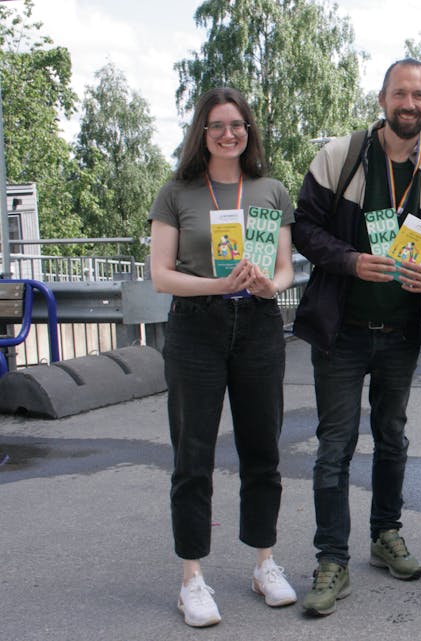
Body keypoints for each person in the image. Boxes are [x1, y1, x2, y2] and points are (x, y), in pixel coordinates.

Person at [291, 58, 421, 616]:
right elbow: (303, 228)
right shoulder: (340, 157)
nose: (408, 104)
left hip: (400, 332)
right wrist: (350, 261)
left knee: (392, 438)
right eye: (399, 94)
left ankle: (385, 534)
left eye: (418, 95)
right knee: (335, 447)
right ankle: (331, 559)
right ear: (382, 99)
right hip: (341, 332)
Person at [149, 86, 297, 628]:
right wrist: (217, 284)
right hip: (196, 327)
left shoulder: (271, 191)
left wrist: (269, 286)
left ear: (248, 131)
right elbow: (161, 275)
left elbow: (286, 268)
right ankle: (192, 578)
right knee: (193, 456)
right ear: (202, 132)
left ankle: (264, 563)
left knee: (263, 450)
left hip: (258, 324)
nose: (228, 134)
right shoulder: (177, 193)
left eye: (237, 125)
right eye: (217, 125)